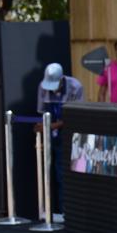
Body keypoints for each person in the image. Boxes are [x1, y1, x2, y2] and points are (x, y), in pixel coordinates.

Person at [36, 63, 84, 215]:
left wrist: (53, 126)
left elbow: (77, 116)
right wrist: (41, 135)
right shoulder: (43, 87)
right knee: (55, 175)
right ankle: (57, 211)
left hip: (72, 135)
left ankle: (71, 212)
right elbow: (42, 113)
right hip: (53, 135)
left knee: (68, 175)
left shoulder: (75, 86)